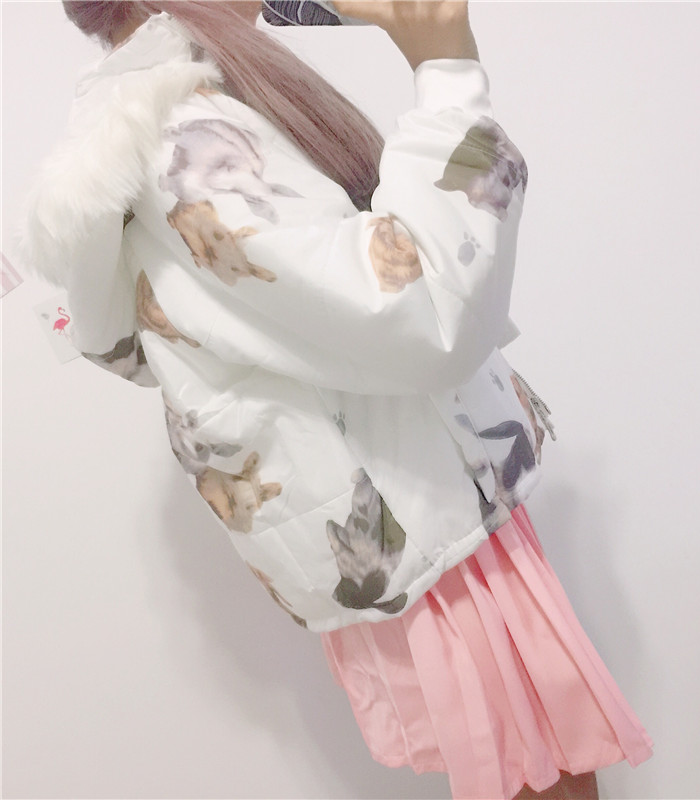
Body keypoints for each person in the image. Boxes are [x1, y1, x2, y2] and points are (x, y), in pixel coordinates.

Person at [13, 1, 654, 797]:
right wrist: (446, 70)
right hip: (422, 514)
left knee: (541, 772)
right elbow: (420, 310)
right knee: (544, 781)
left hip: (415, 509)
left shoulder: (155, 120)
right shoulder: (184, 137)